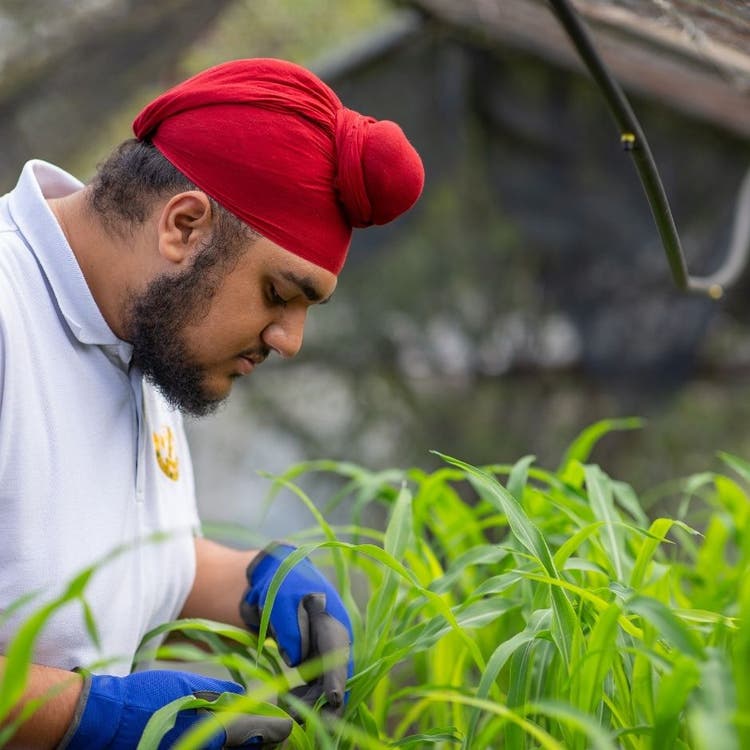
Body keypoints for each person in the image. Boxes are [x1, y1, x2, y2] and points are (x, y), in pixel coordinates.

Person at [0, 57, 424, 748]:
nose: (289, 339)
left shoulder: (143, 334)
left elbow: (116, 555)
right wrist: (83, 715)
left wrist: (252, 581)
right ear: (184, 227)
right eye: (281, 294)